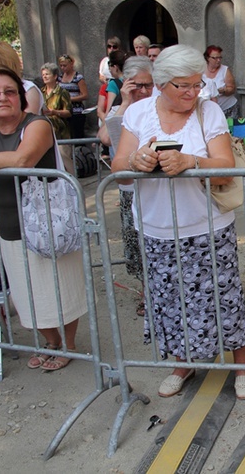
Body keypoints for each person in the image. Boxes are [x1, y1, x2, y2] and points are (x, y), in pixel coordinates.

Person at [110, 44, 245, 400]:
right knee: (170, 301)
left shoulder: (209, 113)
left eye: (197, 84)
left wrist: (190, 160)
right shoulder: (139, 113)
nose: (193, 93)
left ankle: (243, 363)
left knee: (225, 300)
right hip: (156, 228)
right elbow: (117, 169)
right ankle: (183, 362)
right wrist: (137, 161)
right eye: (183, 86)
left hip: (207, 226)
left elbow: (225, 166)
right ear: (161, 84)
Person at [0, 64, 87, 371]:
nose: (2, 97)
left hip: (47, 221)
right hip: (8, 224)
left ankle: (69, 344)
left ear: (21, 96)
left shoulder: (37, 124)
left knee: (60, 286)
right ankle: (51, 341)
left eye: (9, 91)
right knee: (26, 293)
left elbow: (22, 159)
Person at [105, 56, 154, 316]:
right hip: (128, 189)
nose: (144, 91)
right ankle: (147, 293)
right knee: (136, 247)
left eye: (148, 85)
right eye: (138, 86)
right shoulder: (122, 107)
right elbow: (103, 136)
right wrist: (124, 101)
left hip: (155, 190)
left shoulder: (159, 107)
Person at [57, 54, 88, 139]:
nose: (63, 68)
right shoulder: (59, 78)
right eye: (61, 66)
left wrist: (69, 99)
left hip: (76, 111)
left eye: (65, 65)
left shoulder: (78, 77)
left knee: (77, 135)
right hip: (64, 111)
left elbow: (85, 95)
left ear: (71, 64)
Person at [203, 45, 239, 118]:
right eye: (215, 58)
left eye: (220, 57)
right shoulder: (201, 70)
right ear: (207, 58)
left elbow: (232, 88)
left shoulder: (225, 70)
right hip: (209, 110)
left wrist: (224, 90)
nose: (218, 60)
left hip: (228, 108)